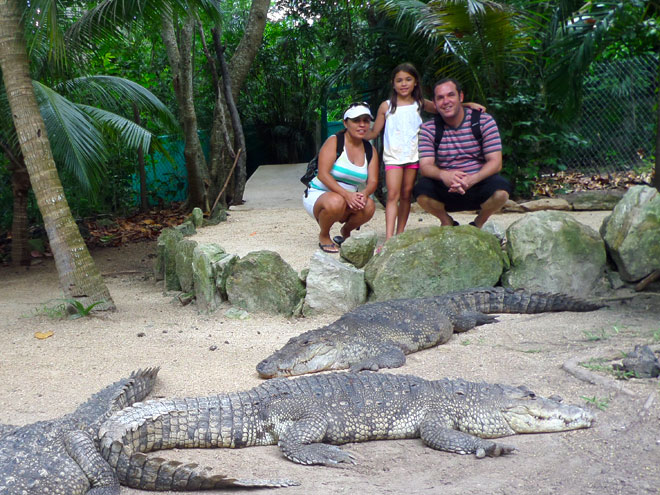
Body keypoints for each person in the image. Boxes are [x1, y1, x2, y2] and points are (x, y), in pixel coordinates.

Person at [364, 63, 485, 240]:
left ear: (415, 82)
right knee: (393, 195)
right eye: (399, 80)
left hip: (413, 157)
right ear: (393, 83)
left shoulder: (419, 103)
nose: (403, 84)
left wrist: (467, 105)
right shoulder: (386, 106)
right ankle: (389, 237)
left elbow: (443, 108)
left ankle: (400, 233)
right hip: (393, 158)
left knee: (406, 195)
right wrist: (353, 132)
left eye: (408, 79)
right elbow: (374, 132)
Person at [414, 78, 511, 228]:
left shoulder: (483, 121)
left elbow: (495, 162)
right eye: (440, 98)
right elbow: (425, 166)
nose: (446, 101)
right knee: (421, 192)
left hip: (478, 184)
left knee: (501, 191)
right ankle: (447, 222)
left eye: (451, 95)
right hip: (447, 188)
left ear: (461, 97)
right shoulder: (428, 129)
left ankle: (478, 223)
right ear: (434, 103)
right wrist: (445, 176)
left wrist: (472, 179)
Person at [302, 102, 379, 253]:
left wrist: (364, 194)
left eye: (366, 120)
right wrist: (346, 195)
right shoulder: (335, 141)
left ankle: (346, 232)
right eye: (356, 121)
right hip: (319, 195)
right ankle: (324, 235)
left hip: (348, 198)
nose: (362, 125)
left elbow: (373, 181)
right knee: (336, 201)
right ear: (345, 123)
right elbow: (323, 174)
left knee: (369, 205)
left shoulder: (370, 150)